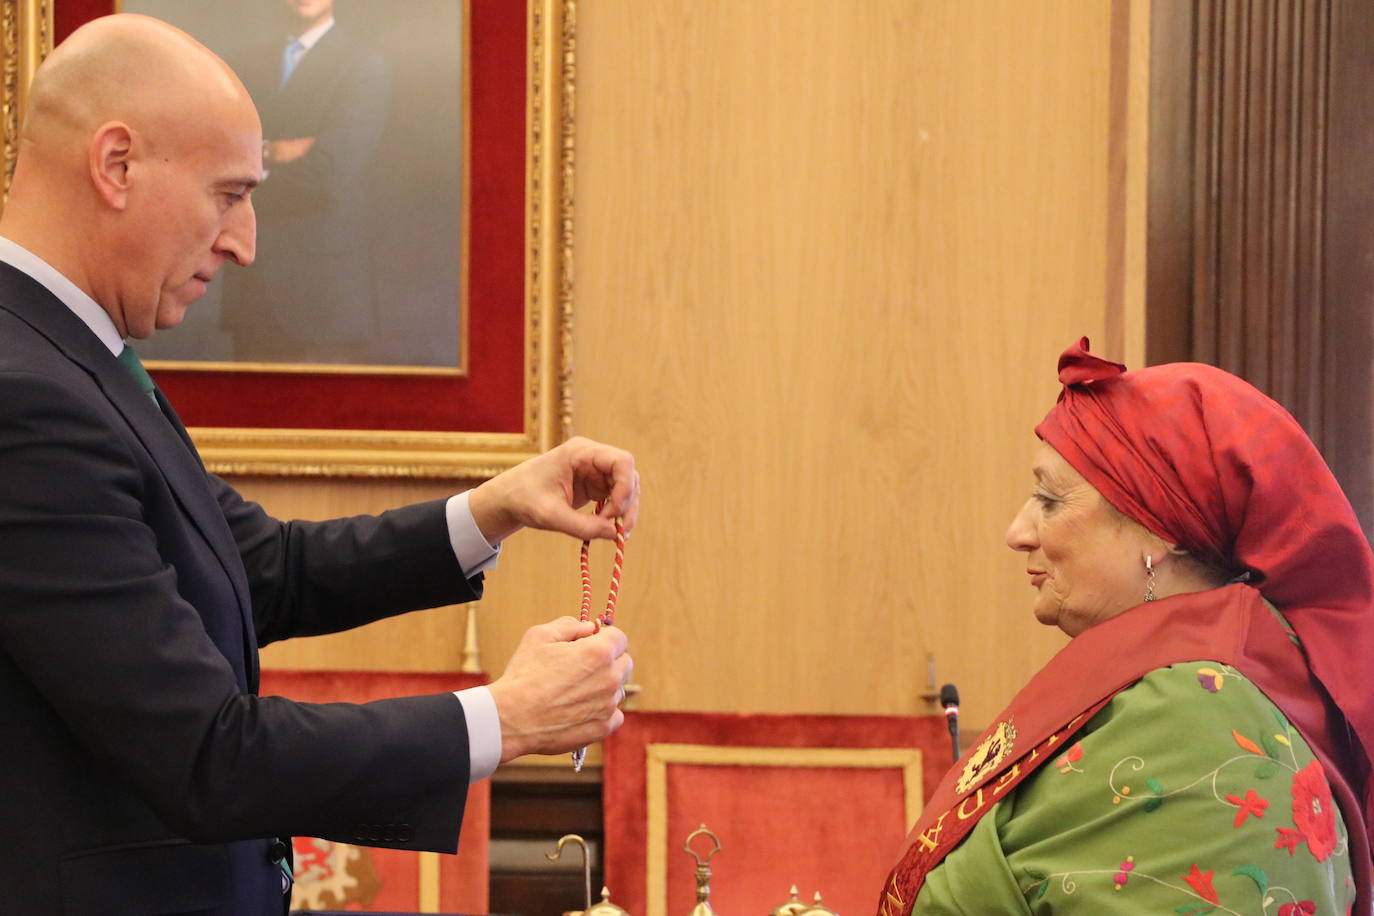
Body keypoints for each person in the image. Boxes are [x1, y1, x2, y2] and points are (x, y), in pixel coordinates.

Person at [0, 14, 636, 915]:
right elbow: (206, 755)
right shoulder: (22, 393)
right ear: (116, 165)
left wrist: (495, 507)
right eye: (228, 194)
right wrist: (507, 717)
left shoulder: (64, 355)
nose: (245, 242)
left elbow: (261, 567)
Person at [879, 338, 1373, 914]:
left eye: (1049, 500)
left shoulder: (1197, 713)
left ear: (1159, 533)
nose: (1018, 531)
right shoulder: (1169, 686)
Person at [221, 0, 391, 363]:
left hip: (323, 294)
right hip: (254, 283)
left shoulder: (363, 66)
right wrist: (276, 151)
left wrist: (251, 165)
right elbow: (220, 156)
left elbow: (330, 172)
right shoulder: (248, 65)